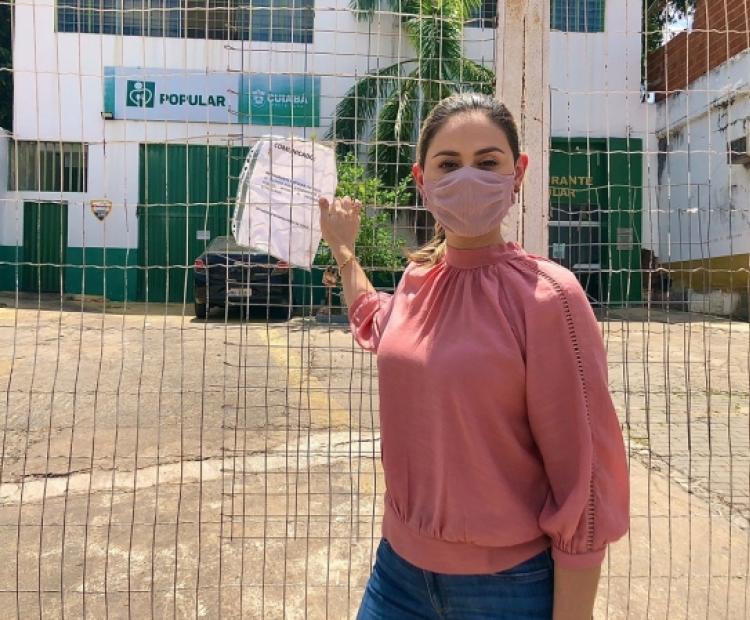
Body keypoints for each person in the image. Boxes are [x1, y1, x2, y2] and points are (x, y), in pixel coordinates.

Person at [318, 93, 629, 620]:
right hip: (397, 575)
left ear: (518, 173)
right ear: (422, 180)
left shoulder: (549, 296)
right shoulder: (418, 281)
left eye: (487, 162)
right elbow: (376, 321)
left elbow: (585, 479)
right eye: (448, 164)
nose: (467, 178)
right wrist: (343, 250)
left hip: (508, 587)